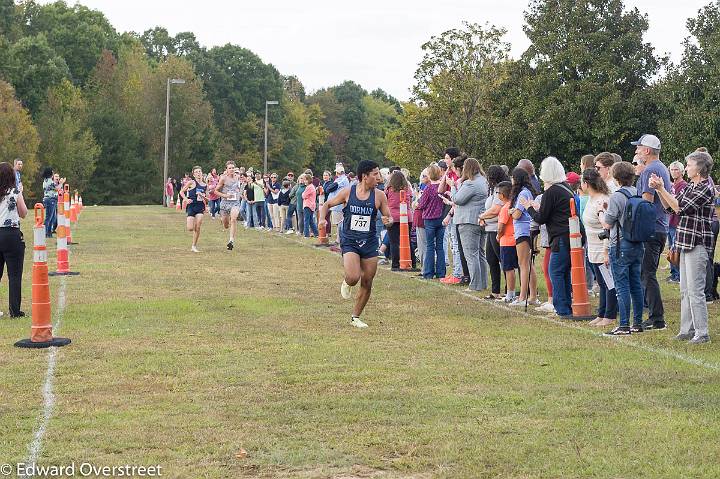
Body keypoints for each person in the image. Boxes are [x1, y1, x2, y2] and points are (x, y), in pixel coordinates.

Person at [318, 160, 392, 328]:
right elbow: (327, 204)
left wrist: (389, 221)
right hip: (350, 241)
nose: (378, 177)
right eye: (375, 174)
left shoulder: (380, 196)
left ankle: (355, 317)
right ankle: (347, 282)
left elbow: (389, 218)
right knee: (353, 277)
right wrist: (322, 218)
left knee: (367, 281)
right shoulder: (348, 192)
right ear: (364, 176)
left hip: (369, 242)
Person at [651, 150, 714, 344]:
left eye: (689, 164)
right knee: (685, 289)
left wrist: (662, 189)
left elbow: (681, 208)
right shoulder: (690, 186)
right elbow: (670, 208)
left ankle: (702, 333)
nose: (686, 168)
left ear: (700, 168)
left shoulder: (704, 188)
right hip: (684, 241)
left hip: (697, 242)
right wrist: (660, 190)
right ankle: (687, 329)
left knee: (695, 290)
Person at [521, 157, 574, 318]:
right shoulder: (565, 188)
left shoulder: (552, 191)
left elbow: (540, 218)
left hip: (559, 236)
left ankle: (561, 308)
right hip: (568, 234)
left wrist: (529, 208)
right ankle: (565, 305)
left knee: (555, 271)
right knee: (563, 272)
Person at [600, 161, 645, 335]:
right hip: (637, 243)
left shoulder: (617, 196)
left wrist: (601, 213)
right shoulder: (637, 192)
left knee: (621, 286)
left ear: (616, 178)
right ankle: (638, 323)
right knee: (635, 284)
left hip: (620, 243)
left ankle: (624, 325)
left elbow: (608, 223)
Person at [631, 134, 670, 331]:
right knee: (647, 273)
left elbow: (645, 203)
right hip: (659, 227)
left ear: (647, 150)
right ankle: (654, 316)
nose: (636, 151)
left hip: (650, 229)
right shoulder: (661, 167)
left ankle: (657, 318)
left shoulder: (650, 170)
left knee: (647, 274)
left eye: (638, 148)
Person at [581, 168, 616, 328]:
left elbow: (607, 228)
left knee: (608, 283)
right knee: (601, 283)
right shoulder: (590, 199)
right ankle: (601, 313)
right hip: (593, 248)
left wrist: (606, 251)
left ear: (586, 184)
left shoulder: (602, 200)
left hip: (602, 248)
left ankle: (610, 315)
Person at [452, 158, 489, 292]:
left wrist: (453, 186)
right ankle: (483, 283)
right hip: (481, 220)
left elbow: (457, 199)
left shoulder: (470, 183)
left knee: (471, 255)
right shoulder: (484, 181)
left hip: (468, 221)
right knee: (480, 253)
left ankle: (474, 285)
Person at [0, 162, 28, 317]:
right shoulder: (15, 192)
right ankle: (14, 310)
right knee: (14, 275)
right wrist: (20, 194)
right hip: (11, 234)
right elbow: (23, 213)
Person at [509, 168, 539, 306]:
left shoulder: (523, 193)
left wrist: (512, 211)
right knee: (529, 264)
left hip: (523, 230)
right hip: (527, 229)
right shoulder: (528, 192)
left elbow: (517, 214)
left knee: (523, 264)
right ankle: (532, 296)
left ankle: (522, 297)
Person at [479, 166, 509, 300]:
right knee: (491, 260)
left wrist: (481, 217)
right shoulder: (493, 190)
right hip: (489, 228)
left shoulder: (500, 190)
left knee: (503, 260)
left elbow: (496, 210)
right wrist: (483, 218)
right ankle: (495, 290)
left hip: (497, 228)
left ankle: (509, 290)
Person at [417, 163, 446, 279]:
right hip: (441, 218)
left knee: (430, 246)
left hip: (429, 219)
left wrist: (417, 202)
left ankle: (428, 272)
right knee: (439, 247)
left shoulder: (428, 188)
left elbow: (422, 204)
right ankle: (441, 272)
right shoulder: (442, 188)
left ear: (429, 175)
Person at [385, 171, 416, 271]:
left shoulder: (389, 189)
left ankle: (395, 264)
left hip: (392, 217)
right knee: (408, 241)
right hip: (407, 216)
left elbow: (385, 202)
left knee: (394, 242)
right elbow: (410, 203)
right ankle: (412, 262)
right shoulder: (407, 189)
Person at [666, 160, 687, 283]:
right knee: (670, 249)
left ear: (682, 172)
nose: (673, 172)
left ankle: (679, 275)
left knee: (676, 250)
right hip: (670, 221)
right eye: (672, 169)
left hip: (677, 222)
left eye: (676, 169)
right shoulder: (672, 185)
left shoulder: (683, 185)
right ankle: (673, 274)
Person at [496, 181, 517, 303]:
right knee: (516, 268)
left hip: (507, 241)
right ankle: (513, 293)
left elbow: (501, 226)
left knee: (508, 269)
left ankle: (510, 293)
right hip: (515, 240)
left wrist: (498, 236)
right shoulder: (513, 205)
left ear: (502, 195)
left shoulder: (505, 208)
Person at [180, 166, 207, 252]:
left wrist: (203, 196)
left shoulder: (205, 185)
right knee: (190, 228)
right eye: (196, 172)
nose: (199, 173)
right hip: (191, 205)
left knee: (198, 225)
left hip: (200, 206)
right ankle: (192, 226)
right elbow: (181, 192)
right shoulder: (191, 182)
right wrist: (186, 199)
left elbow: (208, 199)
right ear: (194, 174)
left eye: (200, 171)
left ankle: (194, 246)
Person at [215, 161, 242, 250]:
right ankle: (224, 222)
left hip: (235, 202)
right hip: (225, 203)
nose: (231, 169)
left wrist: (239, 193)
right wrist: (225, 195)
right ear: (226, 169)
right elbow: (216, 191)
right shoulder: (223, 178)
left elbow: (239, 187)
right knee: (226, 224)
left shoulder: (237, 177)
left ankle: (231, 241)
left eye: (233, 168)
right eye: (230, 168)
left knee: (234, 219)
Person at [325, 163, 350, 243]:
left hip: (339, 205)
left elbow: (331, 188)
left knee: (340, 223)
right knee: (338, 223)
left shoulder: (343, 179)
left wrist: (328, 188)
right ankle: (339, 239)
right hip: (336, 205)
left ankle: (339, 240)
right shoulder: (340, 179)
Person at [41, 168, 64, 238]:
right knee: (49, 217)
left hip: (50, 199)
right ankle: (44, 233)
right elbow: (57, 188)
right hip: (50, 200)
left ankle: (49, 233)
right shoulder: (50, 181)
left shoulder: (46, 180)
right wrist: (61, 183)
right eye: (52, 173)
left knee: (53, 217)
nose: (53, 174)